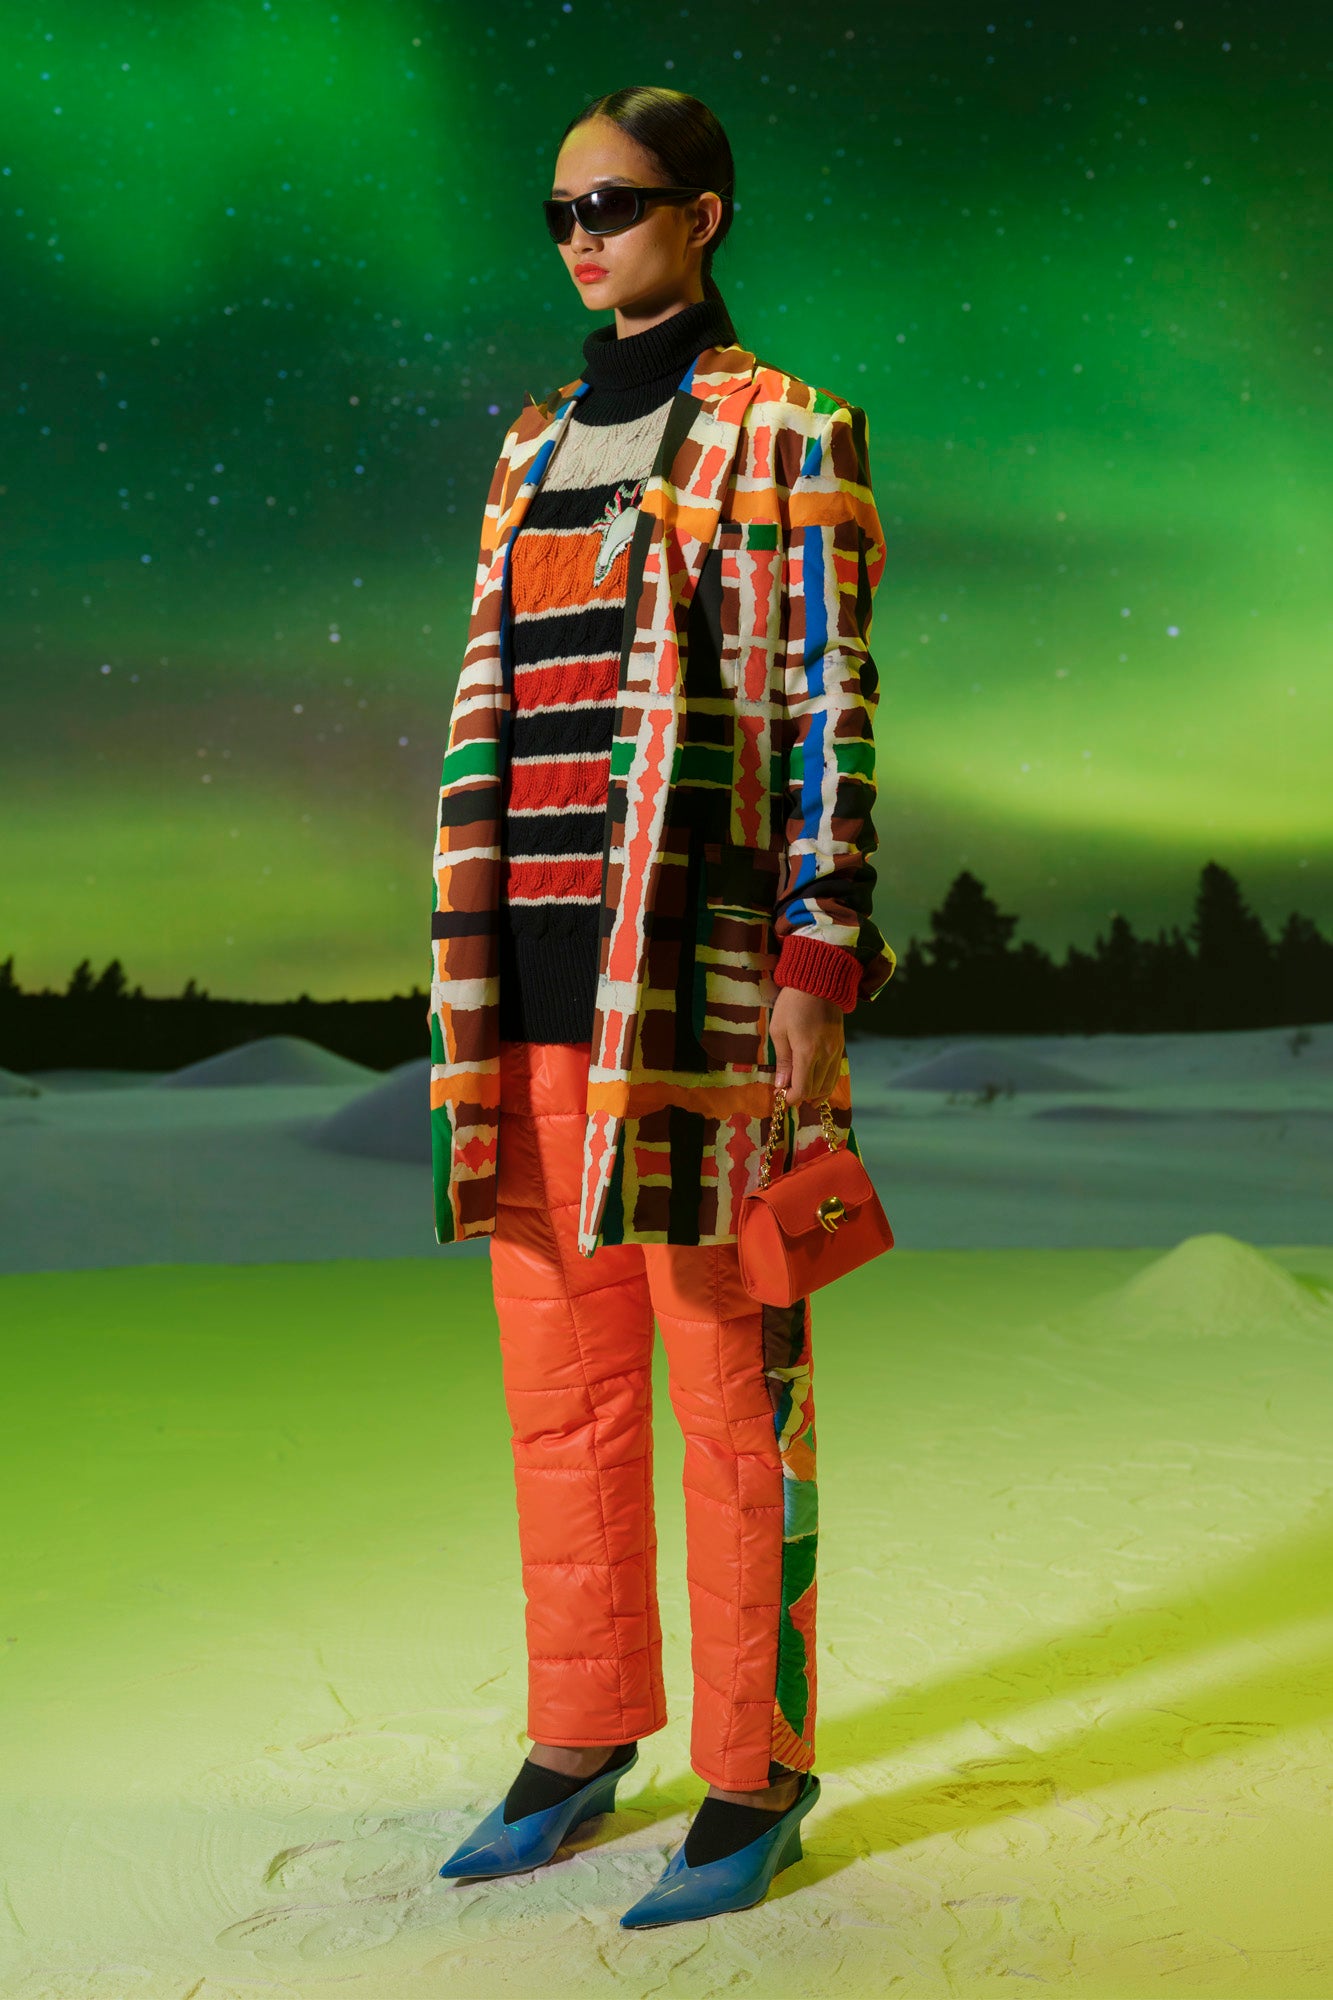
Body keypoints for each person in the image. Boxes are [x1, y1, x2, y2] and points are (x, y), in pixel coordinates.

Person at [428, 86, 894, 1929]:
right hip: (525, 985)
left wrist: (819, 951)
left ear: (701, 213)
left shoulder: (790, 427)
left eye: (610, 203)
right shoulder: (529, 445)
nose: (579, 236)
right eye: (556, 209)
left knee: (727, 1387)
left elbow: (831, 697)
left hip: (693, 990)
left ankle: (755, 1769)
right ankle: (579, 1732)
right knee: (559, 1383)